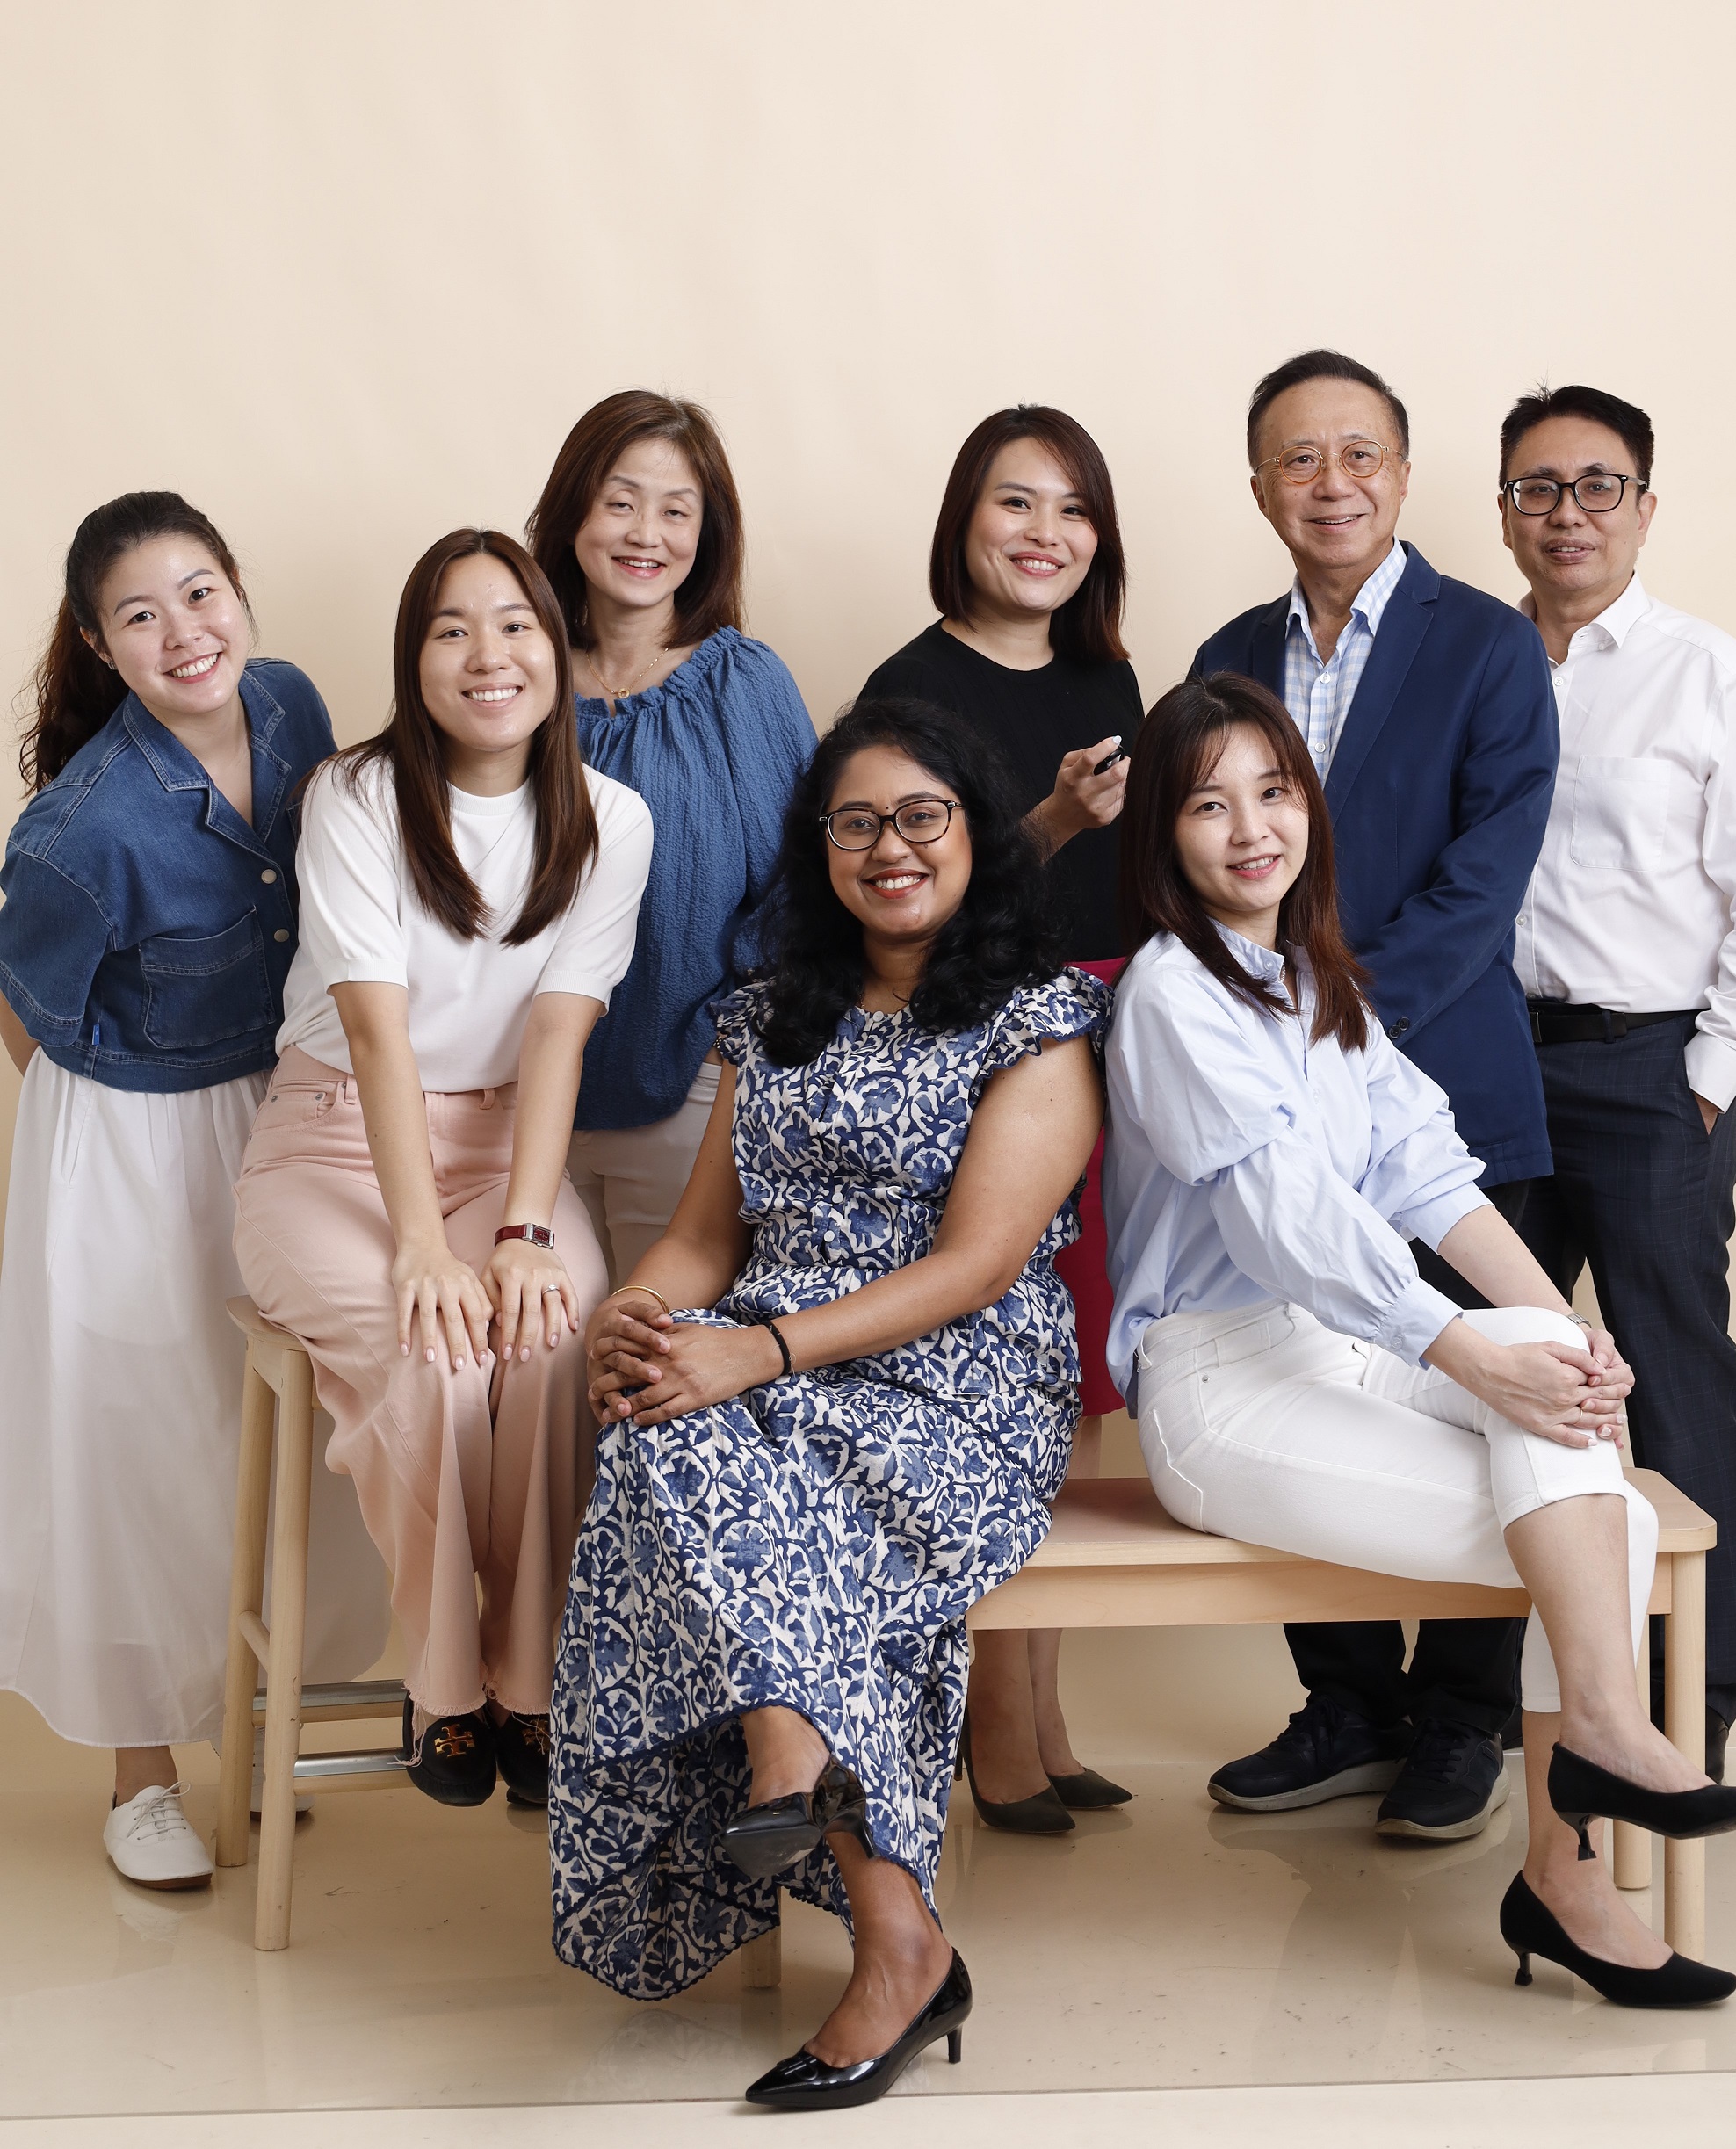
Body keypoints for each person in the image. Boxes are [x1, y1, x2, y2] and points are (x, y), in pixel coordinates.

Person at [1103, 673, 1736, 2008]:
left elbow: (1428, 1173)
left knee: (1570, 1413)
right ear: (1165, 837)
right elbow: (1293, 1226)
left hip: (1339, 1351)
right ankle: (1574, 1852)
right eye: (1207, 804)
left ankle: (1590, 1776)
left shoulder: (1316, 979)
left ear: (1309, 806)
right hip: (1220, 1386)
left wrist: (1560, 1334)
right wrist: (1466, 1351)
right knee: (1603, 1524)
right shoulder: (1173, 995)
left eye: (1273, 790)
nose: (1250, 827)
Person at [549, 698, 1107, 2109]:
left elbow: (978, 1265)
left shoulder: (1036, 1016)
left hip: (959, 1381)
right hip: (770, 1360)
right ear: (819, 848)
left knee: (695, 1445)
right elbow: (704, 1237)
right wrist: (640, 1311)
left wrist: (755, 1351)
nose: (889, 847)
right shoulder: (772, 1016)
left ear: (976, 833)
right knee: (657, 1414)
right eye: (855, 822)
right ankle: (884, 1911)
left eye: (922, 816)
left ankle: (801, 1779)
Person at [1190, 350, 1558, 1841]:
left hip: (1443, 1087)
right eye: (1298, 458)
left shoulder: (1489, 646)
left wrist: (1322, 1025)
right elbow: (1200, 864)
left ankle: (1464, 1722)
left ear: (1403, 474)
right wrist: (1258, 1044)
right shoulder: (1227, 653)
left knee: (1487, 1391)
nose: (1330, 483)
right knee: (1306, 1381)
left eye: (1359, 454)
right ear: (1260, 485)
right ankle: (1347, 1704)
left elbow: (1485, 882)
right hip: (1269, 1109)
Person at [234, 529, 652, 1811]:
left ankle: (528, 1677)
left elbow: (558, 1035)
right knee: (437, 1355)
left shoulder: (612, 819)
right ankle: (443, 1682)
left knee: (552, 1332)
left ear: (557, 649)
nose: (488, 655)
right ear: (414, 658)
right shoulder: (354, 795)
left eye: (515, 624)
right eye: (451, 629)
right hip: (334, 1142)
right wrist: (422, 1245)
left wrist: (523, 1233)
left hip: (504, 1148)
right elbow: (374, 1032)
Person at [0, 491, 378, 1888]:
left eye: (201, 591)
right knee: (134, 1439)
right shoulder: (80, 827)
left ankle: (250, 1727)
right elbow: (27, 1012)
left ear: (238, 588)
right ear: (101, 645)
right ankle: (139, 1776)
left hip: (287, 1103)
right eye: (141, 615)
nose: (185, 632)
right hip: (131, 1136)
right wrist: (100, 1150)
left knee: (265, 1430)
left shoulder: (291, 707)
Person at [1500, 383, 1736, 1780]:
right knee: (1492, 1373)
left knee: (1677, 1382)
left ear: (1642, 505)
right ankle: (1470, 1718)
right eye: (1538, 488)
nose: (1567, 513)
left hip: (1650, 1069)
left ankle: (1698, 1701)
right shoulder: (1479, 666)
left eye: (1598, 486)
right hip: (1492, 1064)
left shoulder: (1707, 671)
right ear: (1505, 510)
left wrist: (1707, 1074)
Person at [863, 403, 1140, 1829]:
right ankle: (993, 1724)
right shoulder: (907, 690)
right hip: (986, 1047)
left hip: (1110, 1034)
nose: (1046, 534)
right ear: (964, 518)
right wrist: (1051, 823)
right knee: (999, 1374)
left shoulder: (1107, 674)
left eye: (1073, 509)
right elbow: (898, 899)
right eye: (1016, 502)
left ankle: (1042, 1709)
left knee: (1078, 1377)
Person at [525, 390, 815, 1288]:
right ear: (572, 510)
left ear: (706, 533)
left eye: (675, 511)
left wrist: (729, 1049)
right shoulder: (515, 673)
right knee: (536, 1354)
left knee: (658, 1349)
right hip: (516, 1097)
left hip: (688, 1087)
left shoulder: (742, 683)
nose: (645, 533)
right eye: (620, 501)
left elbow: (805, 885)